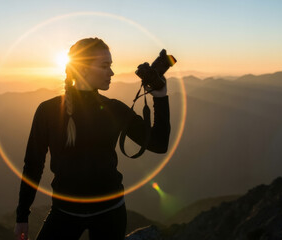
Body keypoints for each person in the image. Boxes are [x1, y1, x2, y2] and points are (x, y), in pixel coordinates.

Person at [14, 37, 170, 240]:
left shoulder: (51, 110)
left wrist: (160, 95)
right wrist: (22, 216)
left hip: (86, 212)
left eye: (111, 66)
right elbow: (33, 165)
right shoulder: (53, 111)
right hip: (96, 212)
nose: (112, 72)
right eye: (105, 66)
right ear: (84, 68)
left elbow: (158, 145)